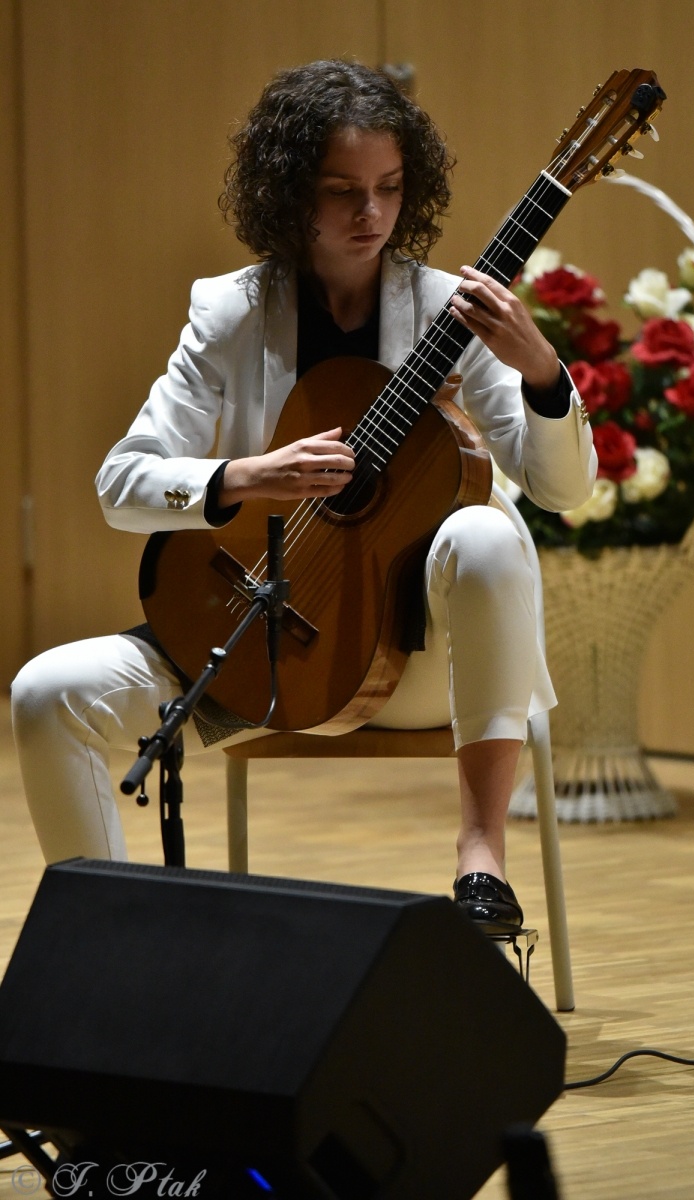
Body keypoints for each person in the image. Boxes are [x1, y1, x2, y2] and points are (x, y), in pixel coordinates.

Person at [11, 60, 595, 935]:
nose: (371, 215)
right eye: (342, 191)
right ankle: (116, 958)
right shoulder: (229, 313)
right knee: (46, 691)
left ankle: (481, 859)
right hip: (269, 651)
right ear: (290, 194)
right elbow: (120, 484)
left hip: (418, 665)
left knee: (483, 530)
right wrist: (246, 476)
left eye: (391, 189)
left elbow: (565, 490)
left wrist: (542, 370)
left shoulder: (454, 314)